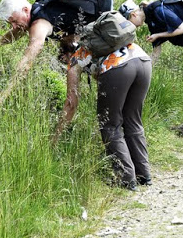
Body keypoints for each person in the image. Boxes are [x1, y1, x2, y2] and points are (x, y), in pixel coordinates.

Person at [52, 12, 152, 191]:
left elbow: (71, 102)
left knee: (109, 124)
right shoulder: (102, 44)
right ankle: (143, 174)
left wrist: (56, 134)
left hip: (118, 66)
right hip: (142, 60)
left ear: (65, 54)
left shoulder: (75, 58)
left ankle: (125, 178)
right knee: (133, 120)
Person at [0, 0, 113, 108]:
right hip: (98, 4)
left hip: (99, 11)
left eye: (15, 21)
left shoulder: (38, 25)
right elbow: (15, 33)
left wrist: (3, 95)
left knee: (100, 68)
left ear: (25, 10)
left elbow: (27, 60)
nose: (14, 26)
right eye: (11, 23)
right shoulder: (39, 9)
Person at [119, 0, 183, 137]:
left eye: (129, 23)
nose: (133, 27)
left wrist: (158, 35)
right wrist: (141, 74)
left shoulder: (158, 10)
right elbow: (156, 53)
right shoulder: (152, 21)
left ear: (133, 14)